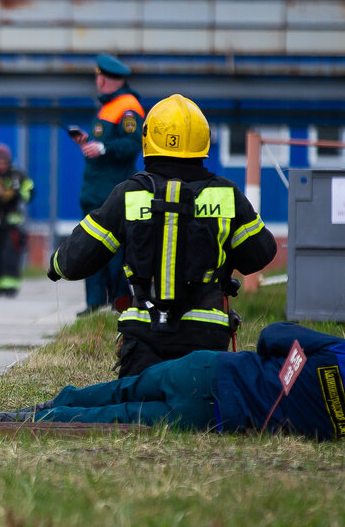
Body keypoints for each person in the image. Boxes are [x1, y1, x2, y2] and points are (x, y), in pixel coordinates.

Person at [49, 94, 277, 377]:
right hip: (207, 343)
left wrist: (54, 265)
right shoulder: (226, 194)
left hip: (144, 342)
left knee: (138, 407)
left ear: (148, 140)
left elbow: (74, 261)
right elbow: (261, 254)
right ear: (202, 142)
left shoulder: (129, 194)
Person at [0, 322, 345, 441]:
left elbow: (272, 335)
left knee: (121, 389)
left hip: (208, 369)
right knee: (119, 416)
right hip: (212, 415)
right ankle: (13, 424)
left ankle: (37, 408)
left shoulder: (339, 353)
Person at [72, 53, 145, 315]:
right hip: (96, 191)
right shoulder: (108, 106)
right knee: (91, 246)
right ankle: (94, 303)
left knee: (114, 250)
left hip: (112, 191)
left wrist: (102, 147)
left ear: (104, 79)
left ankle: (118, 303)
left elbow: (133, 144)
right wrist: (89, 142)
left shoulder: (128, 106)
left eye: (98, 76)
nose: (97, 81)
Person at [0, 143, 34, 298]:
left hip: (12, 223)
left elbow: (29, 192)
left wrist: (14, 193)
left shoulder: (17, 175)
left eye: (3, 162)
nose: (0, 165)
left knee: (10, 255)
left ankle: (11, 286)